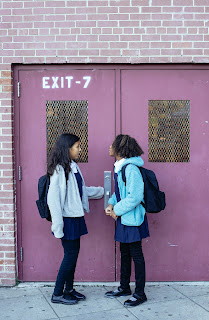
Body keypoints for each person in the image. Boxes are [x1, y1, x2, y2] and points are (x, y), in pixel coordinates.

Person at [47, 133, 104, 305]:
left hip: (75, 217)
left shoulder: (72, 166)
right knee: (70, 255)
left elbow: (79, 190)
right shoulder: (59, 169)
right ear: (68, 148)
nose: (79, 149)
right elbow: (53, 199)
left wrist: (101, 191)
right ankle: (57, 293)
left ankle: (69, 290)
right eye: (77, 146)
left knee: (73, 254)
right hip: (67, 219)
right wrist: (58, 225)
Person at [105, 134, 149, 307]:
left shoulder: (131, 169)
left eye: (112, 144)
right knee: (124, 253)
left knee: (136, 255)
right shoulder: (120, 167)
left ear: (120, 149)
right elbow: (120, 193)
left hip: (133, 219)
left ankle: (140, 294)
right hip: (124, 218)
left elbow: (135, 197)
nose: (109, 146)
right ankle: (124, 287)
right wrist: (111, 204)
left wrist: (117, 211)